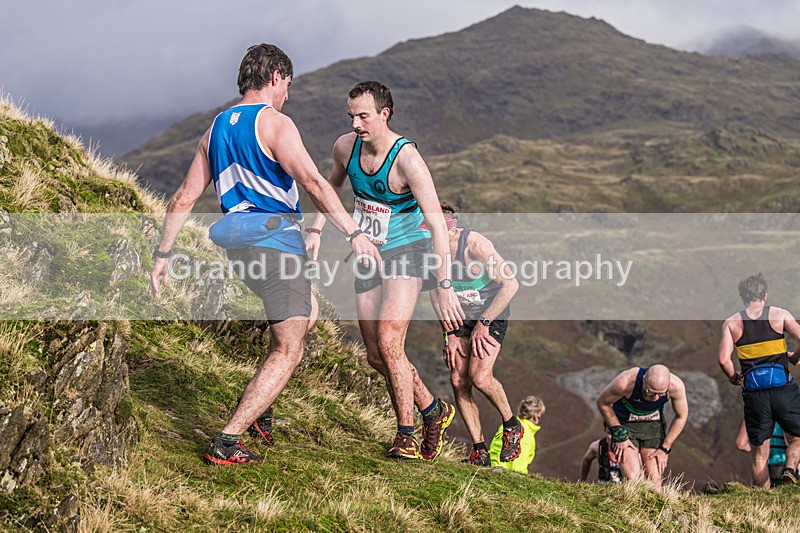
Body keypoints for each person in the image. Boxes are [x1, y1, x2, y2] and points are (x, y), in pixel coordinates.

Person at [150, 44, 380, 466]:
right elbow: (313, 180)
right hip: (274, 243)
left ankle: (261, 405)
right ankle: (228, 439)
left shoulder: (215, 128)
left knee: (306, 314)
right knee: (288, 347)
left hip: (239, 248)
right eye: (287, 85)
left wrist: (162, 254)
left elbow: (183, 197)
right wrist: (354, 234)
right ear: (275, 76)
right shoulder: (275, 124)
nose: (287, 94)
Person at [304, 81, 464, 460]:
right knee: (376, 355)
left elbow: (438, 224)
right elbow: (331, 187)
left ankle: (405, 434)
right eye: (351, 116)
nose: (356, 124)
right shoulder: (345, 147)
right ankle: (433, 409)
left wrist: (444, 284)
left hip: (408, 252)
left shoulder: (408, 159)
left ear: (384, 114)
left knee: (392, 341)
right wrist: (315, 228)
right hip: (368, 254)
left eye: (363, 116)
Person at [434, 203, 524, 465]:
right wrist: (448, 334)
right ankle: (479, 450)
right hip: (459, 316)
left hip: (490, 311)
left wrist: (485, 322)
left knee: (480, 376)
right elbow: (435, 294)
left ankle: (511, 425)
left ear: (450, 228)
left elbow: (511, 284)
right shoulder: (428, 250)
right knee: (457, 379)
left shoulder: (475, 245)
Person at [718, 273, 800, 487]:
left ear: (742, 297)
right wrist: (794, 357)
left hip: (755, 394)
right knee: (796, 438)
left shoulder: (732, 323)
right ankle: (791, 470)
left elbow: (723, 359)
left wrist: (734, 377)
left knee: (759, 455)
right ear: (765, 294)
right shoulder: (779, 314)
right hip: (783, 388)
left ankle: (762, 499)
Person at [596, 365, 689, 489]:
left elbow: (681, 416)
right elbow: (602, 403)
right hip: (625, 424)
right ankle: (633, 505)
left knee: (655, 480)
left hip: (652, 426)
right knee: (633, 478)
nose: (655, 398)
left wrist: (665, 449)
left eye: (661, 394)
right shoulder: (626, 382)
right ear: (644, 380)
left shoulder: (676, 386)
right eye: (651, 392)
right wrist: (620, 435)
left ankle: (657, 507)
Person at [488, 395, 545, 473]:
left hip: (499, 469)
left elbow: (495, 447)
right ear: (536, 416)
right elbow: (529, 458)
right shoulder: (530, 435)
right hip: (519, 474)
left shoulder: (508, 426)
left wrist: (495, 465)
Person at [735, 420, 787, 487]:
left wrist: (756, 451)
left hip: (760, 467)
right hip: (782, 463)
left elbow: (741, 444)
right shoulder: (787, 413)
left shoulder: (752, 413)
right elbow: (790, 443)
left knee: (764, 494)